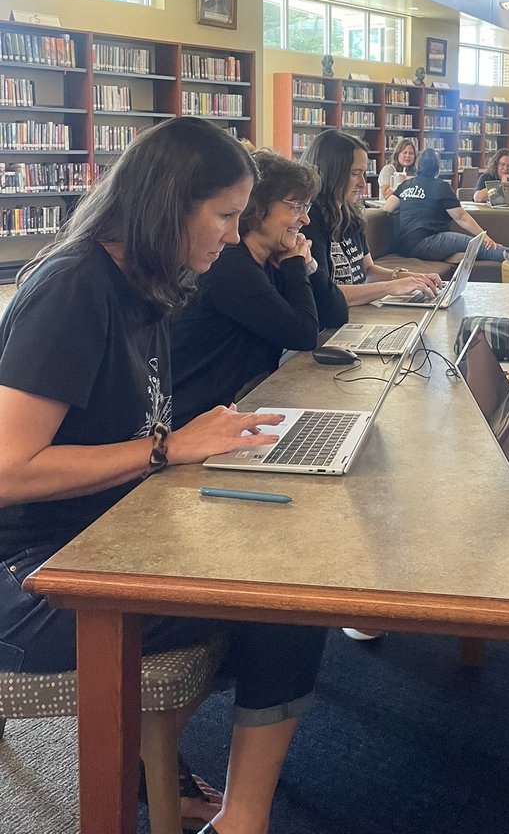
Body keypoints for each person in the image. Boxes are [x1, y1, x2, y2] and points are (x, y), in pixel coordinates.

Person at [0, 118, 328, 834]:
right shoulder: (74, 288)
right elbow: (8, 471)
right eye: (225, 216)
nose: (233, 235)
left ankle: (175, 773)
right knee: (290, 597)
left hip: (110, 536)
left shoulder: (142, 283)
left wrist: (202, 447)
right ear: (170, 206)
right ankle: (232, 814)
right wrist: (168, 448)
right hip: (32, 579)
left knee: (296, 563)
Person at [170, 148, 321, 427]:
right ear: (258, 208)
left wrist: (306, 265)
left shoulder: (267, 258)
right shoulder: (229, 265)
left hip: (236, 405)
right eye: (296, 206)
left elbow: (333, 313)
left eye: (306, 207)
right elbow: (304, 334)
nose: (305, 219)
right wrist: (295, 265)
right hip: (195, 420)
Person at [302, 128, 443, 305]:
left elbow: (367, 269)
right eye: (355, 174)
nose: (363, 183)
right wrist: (390, 287)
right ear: (329, 172)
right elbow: (324, 294)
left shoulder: (350, 215)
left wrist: (413, 278)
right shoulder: (308, 220)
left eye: (363, 173)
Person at [383, 147, 508, 262]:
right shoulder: (441, 186)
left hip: (404, 246)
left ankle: (451, 256)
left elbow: (387, 208)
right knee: (477, 245)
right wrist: (484, 237)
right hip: (427, 242)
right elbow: (461, 217)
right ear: (438, 170)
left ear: (417, 167)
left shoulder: (406, 185)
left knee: (460, 244)